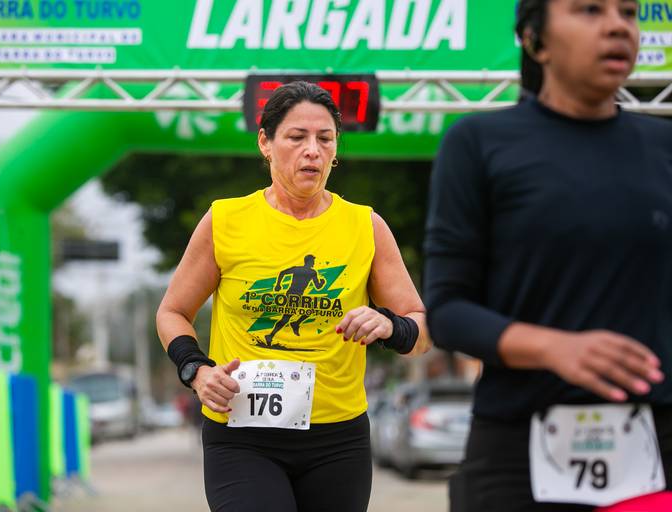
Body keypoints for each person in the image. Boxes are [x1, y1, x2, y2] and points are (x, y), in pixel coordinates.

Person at [424, 1, 672, 511]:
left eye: (628, 12)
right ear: (536, 41)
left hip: (658, 445)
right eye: (589, 10)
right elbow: (447, 312)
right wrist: (554, 348)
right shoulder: (477, 143)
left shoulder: (663, 146)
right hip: (519, 450)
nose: (617, 26)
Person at [156, 81, 430, 512]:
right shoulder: (225, 220)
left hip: (337, 440)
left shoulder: (366, 226)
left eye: (325, 139)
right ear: (265, 143)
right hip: (242, 435)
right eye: (297, 137)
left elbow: (422, 331)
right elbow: (172, 312)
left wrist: (392, 325)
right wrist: (196, 370)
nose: (312, 151)